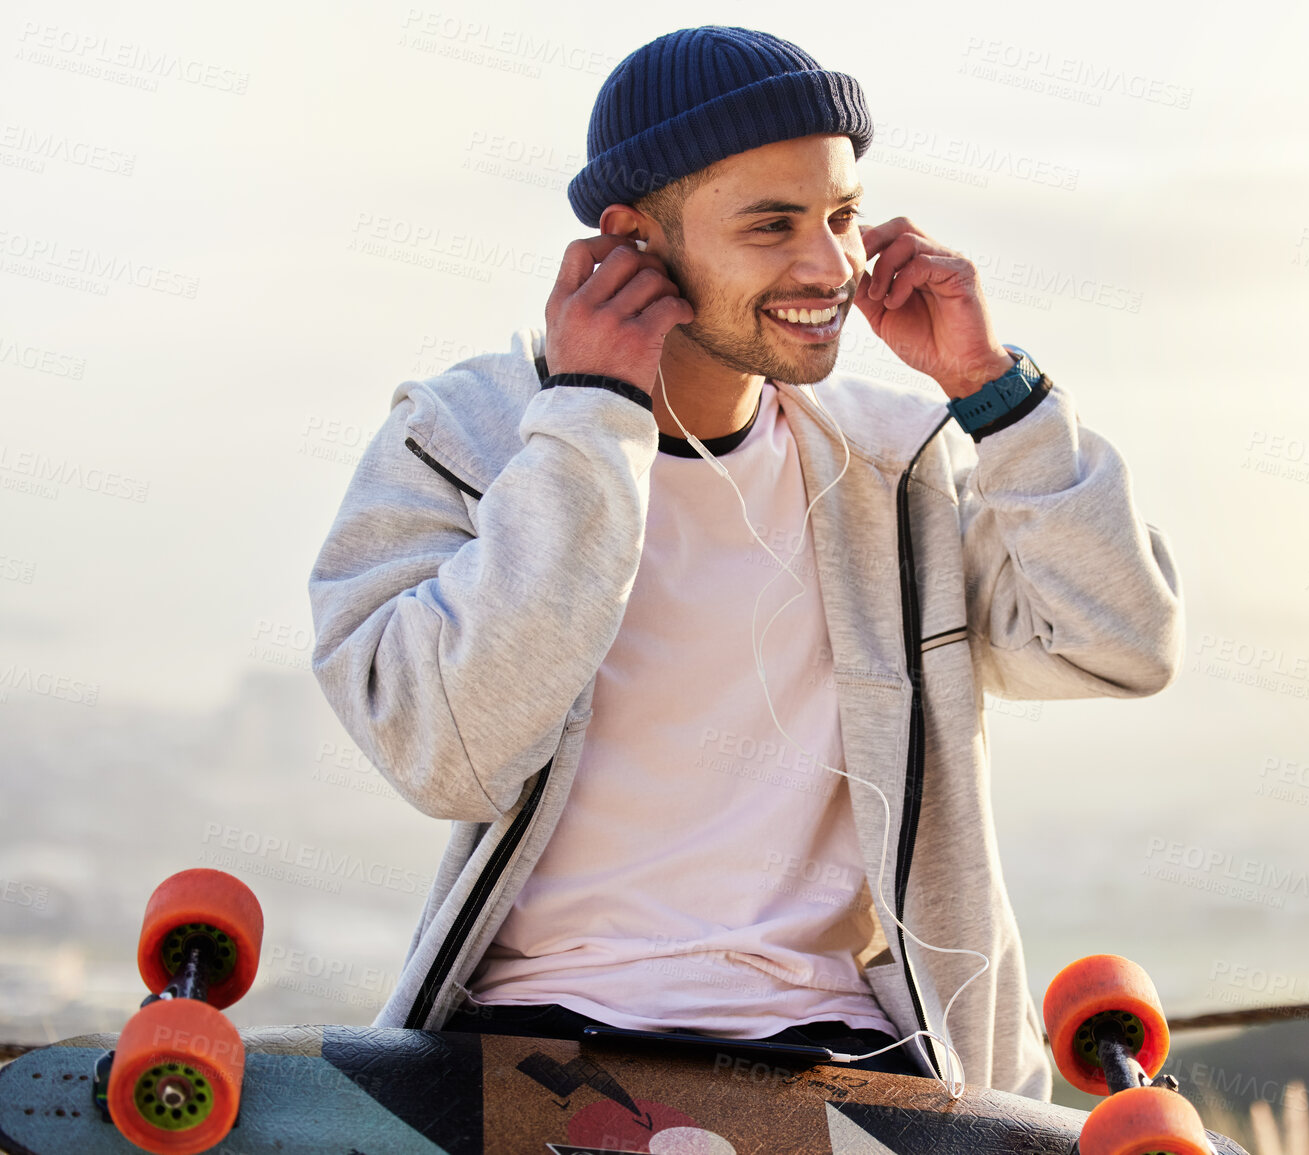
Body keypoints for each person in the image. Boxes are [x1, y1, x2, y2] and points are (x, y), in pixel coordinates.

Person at [307, 24, 1182, 1101]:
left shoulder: (895, 463)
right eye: (773, 225)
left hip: (847, 1056)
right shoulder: (463, 438)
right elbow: (448, 755)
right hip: (531, 1043)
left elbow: (1122, 645)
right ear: (631, 240)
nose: (833, 266)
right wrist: (592, 418)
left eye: (843, 216)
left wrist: (993, 392)